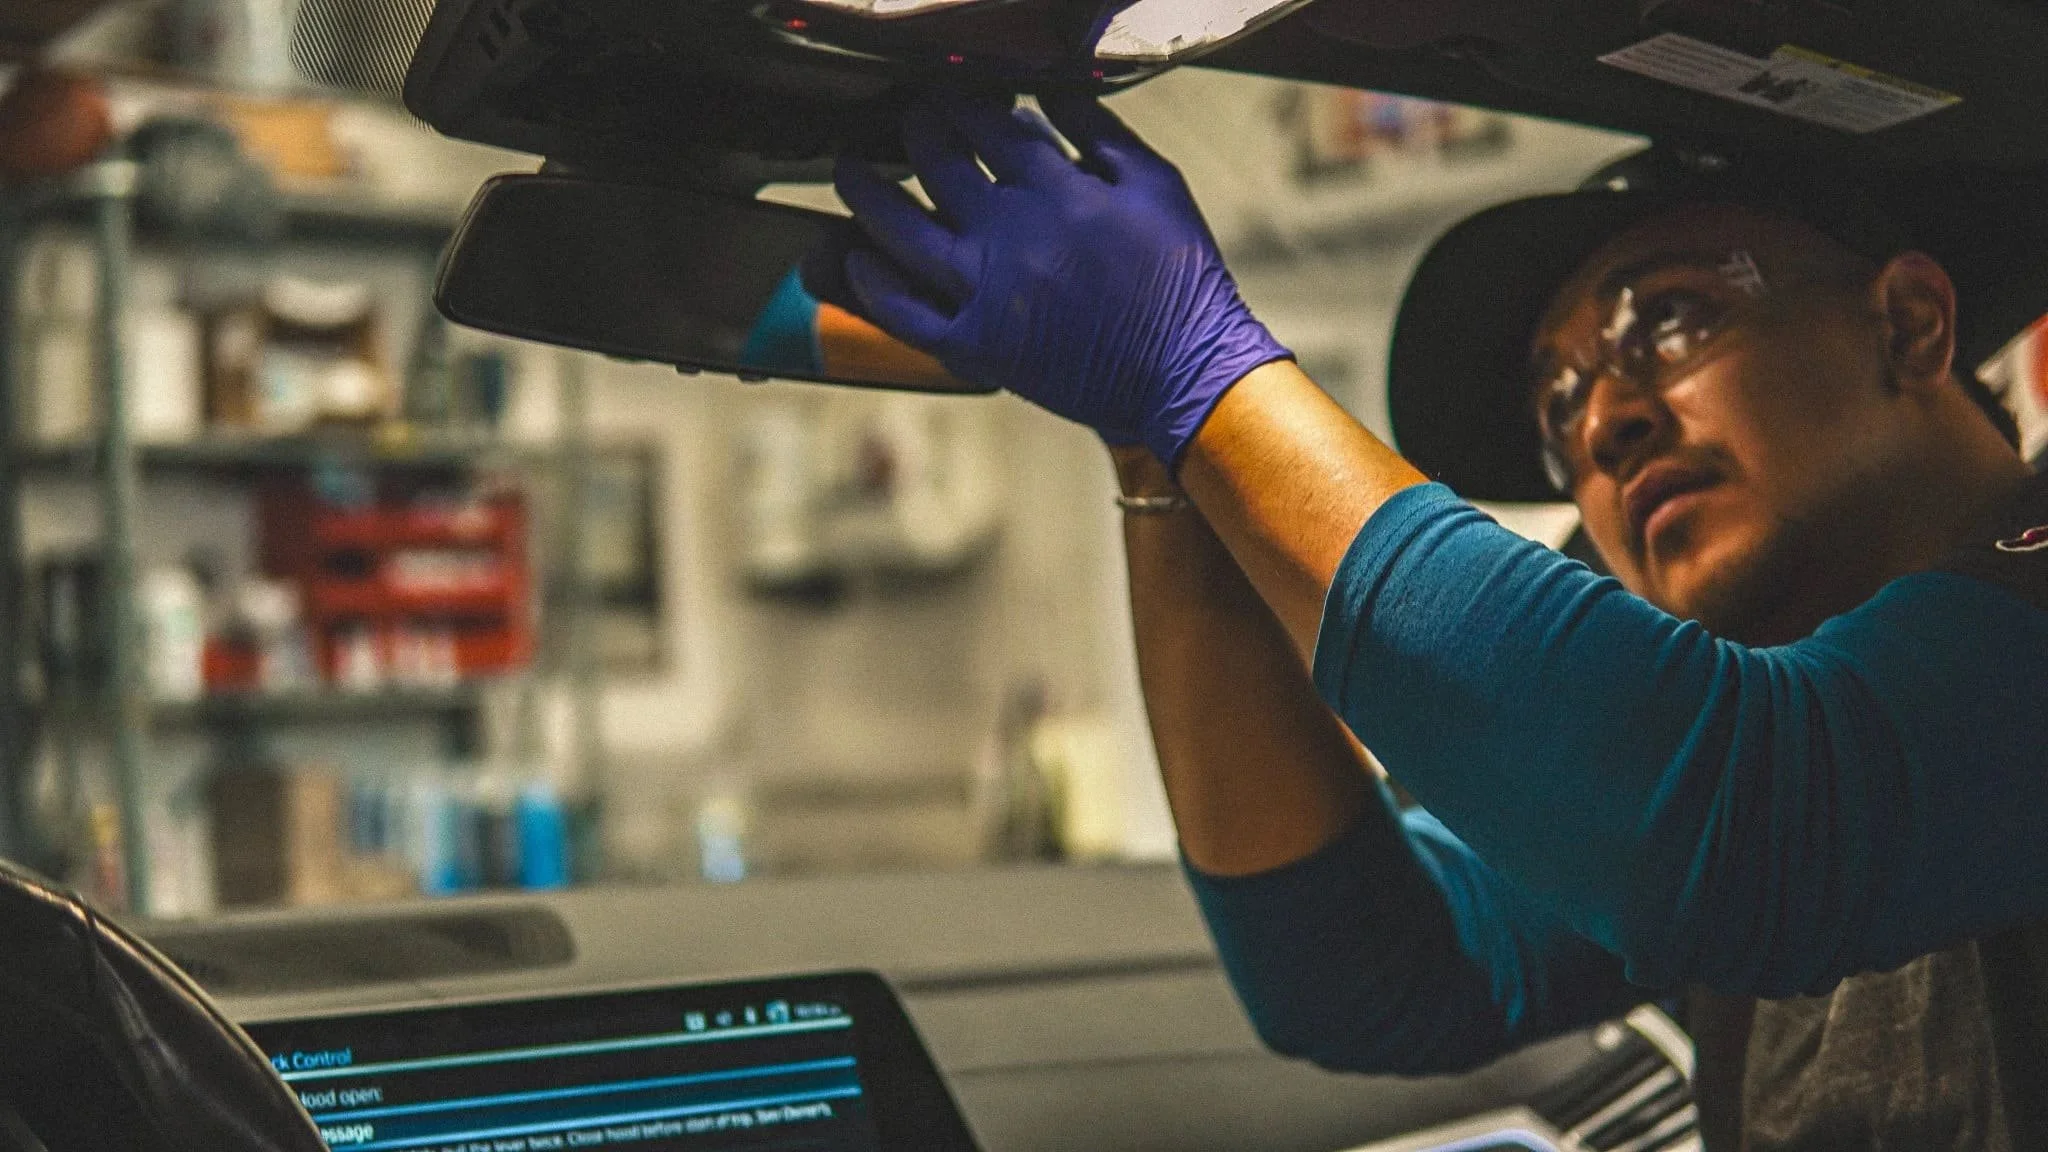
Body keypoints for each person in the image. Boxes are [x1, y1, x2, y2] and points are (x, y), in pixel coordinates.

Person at [828, 91, 2048, 1149]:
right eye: (1555, 406)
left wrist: (1191, 366)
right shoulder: (1753, 731)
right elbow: (1365, 972)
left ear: (1907, 325)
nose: (1600, 424)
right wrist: (1160, 455)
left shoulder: (1821, 753)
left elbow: (1747, 818)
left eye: (1667, 321)